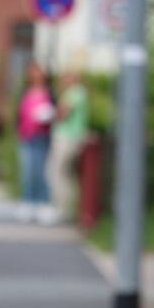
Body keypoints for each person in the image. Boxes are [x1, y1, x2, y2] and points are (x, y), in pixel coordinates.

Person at [17, 62, 57, 224]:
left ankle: (44, 204)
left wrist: (48, 114)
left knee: (40, 171)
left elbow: (56, 112)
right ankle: (28, 202)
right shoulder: (26, 92)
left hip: (41, 136)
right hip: (26, 136)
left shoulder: (49, 93)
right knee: (27, 171)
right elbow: (19, 115)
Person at [49, 70, 88, 220]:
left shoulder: (75, 93)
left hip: (67, 137)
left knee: (57, 172)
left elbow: (64, 113)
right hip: (70, 137)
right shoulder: (77, 93)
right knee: (67, 174)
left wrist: (52, 114)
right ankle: (67, 209)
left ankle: (62, 209)